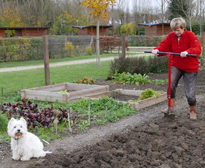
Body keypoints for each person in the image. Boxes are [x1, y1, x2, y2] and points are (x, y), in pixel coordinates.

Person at [152, 17, 201, 120]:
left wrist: (188, 52)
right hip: (176, 65)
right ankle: (170, 108)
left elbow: (197, 48)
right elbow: (164, 46)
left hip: (190, 67)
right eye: (174, 30)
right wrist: (157, 50)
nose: (176, 32)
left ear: (183, 28)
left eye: (178, 30)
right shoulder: (171, 36)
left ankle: (192, 111)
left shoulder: (191, 36)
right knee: (171, 85)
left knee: (190, 93)